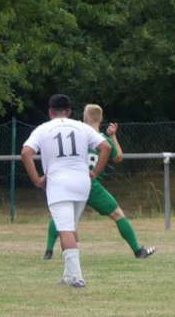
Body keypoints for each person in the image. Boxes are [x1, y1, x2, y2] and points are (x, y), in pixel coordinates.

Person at [43, 104, 155, 260]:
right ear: (100, 118)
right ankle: (138, 251)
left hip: (73, 183)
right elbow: (118, 157)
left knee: (60, 216)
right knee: (118, 215)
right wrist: (113, 136)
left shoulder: (77, 135)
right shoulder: (103, 139)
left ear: (85, 117)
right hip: (92, 186)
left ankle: (48, 251)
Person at [21, 94, 111, 288]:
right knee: (70, 228)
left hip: (58, 183)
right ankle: (69, 275)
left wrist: (37, 179)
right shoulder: (82, 127)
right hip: (81, 181)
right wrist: (94, 172)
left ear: (50, 111)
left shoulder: (43, 129)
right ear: (69, 111)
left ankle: (77, 277)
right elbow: (105, 147)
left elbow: (26, 153)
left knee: (65, 229)